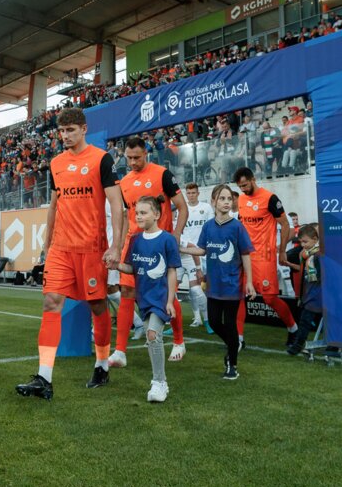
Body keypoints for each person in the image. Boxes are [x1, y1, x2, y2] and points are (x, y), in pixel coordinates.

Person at [15, 107, 125, 400]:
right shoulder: (56, 163)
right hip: (61, 248)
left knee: (98, 305)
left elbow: (116, 204)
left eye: (70, 131)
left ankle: (102, 364)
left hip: (92, 248)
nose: (64, 136)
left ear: (83, 129)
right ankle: (44, 378)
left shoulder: (102, 159)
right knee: (51, 302)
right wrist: (46, 245)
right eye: (61, 132)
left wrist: (116, 246)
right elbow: (54, 206)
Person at [109, 137, 188, 370]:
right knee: (127, 292)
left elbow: (182, 208)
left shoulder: (162, 174)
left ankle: (179, 341)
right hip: (134, 244)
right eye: (129, 158)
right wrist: (121, 244)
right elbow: (126, 216)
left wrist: (175, 237)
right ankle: (120, 351)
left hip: (159, 246)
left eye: (137, 157)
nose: (133, 162)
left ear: (146, 154)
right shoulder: (124, 182)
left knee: (166, 295)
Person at [117, 196, 182, 403]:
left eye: (143, 213)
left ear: (157, 215)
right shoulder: (135, 240)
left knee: (153, 334)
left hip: (161, 298)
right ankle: (159, 380)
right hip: (143, 298)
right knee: (151, 337)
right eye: (137, 213)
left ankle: (159, 382)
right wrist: (115, 265)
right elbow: (131, 268)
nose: (139, 216)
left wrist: (170, 301)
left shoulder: (167, 240)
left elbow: (172, 272)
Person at [232, 167, 298, 349]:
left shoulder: (270, 198)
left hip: (264, 257)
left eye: (245, 185)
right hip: (245, 256)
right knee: (239, 296)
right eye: (240, 187)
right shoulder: (242, 200)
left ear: (253, 179)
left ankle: (293, 329)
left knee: (269, 299)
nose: (243, 189)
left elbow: (285, 225)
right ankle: (238, 339)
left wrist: (283, 250)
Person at [199, 184, 255, 380]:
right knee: (214, 322)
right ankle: (234, 345)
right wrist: (184, 249)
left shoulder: (237, 226)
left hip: (232, 284)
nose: (226, 202)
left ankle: (232, 365)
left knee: (230, 324)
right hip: (214, 285)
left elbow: (246, 254)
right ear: (213, 201)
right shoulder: (207, 227)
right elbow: (202, 250)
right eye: (221, 198)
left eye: (229, 199)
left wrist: (249, 282)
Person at [180, 182, 214, 330]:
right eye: (188, 193)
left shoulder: (205, 208)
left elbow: (211, 227)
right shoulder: (182, 210)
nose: (191, 195)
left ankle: (208, 318)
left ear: (198, 193)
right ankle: (197, 318)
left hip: (201, 252)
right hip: (185, 253)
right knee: (189, 289)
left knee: (200, 288)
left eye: (193, 192)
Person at [285, 224, 322, 355]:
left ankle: (298, 345)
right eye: (300, 242)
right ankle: (298, 345)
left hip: (319, 292)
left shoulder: (318, 255)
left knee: (308, 320)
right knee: (305, 320)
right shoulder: (305, 254)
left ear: (315, 239)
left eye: (305, 241)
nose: (303, 244)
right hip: (310, 292)